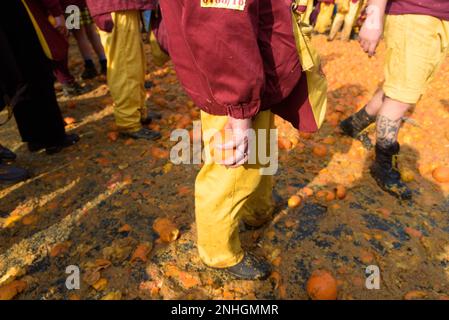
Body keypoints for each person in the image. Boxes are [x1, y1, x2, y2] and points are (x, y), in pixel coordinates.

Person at [154, 0, 327, 280]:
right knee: (231, 168)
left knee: (258, 149)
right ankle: (218, 251)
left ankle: (256, 209)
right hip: (232, 81)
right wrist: (239, 108)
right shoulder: (233, 80)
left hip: (248, 69)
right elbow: (221, 30)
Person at [339, 0, 449, 200]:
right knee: (401, 95)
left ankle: (354, 124)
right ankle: (382, 164)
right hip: (415, 16)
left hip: (434, 17)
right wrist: (374, 14)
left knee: (399, 85)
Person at [0, 1, 80, 156]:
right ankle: (53, 137)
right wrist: (56, 12)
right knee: (36, 73)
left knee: (17, 76)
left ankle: (34, 137)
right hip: (21, 19)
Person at [85, 0, 161, 141]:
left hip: (123, 6)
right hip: (115, 7)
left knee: (134, 61)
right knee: (125, 65)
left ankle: (137, 111)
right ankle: (129, 121)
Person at [60, 0, 107, 79]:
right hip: (86, 4)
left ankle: (89, 66)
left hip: (69, 7)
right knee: (92, 33)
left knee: (80, 36)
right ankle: (104, 61)